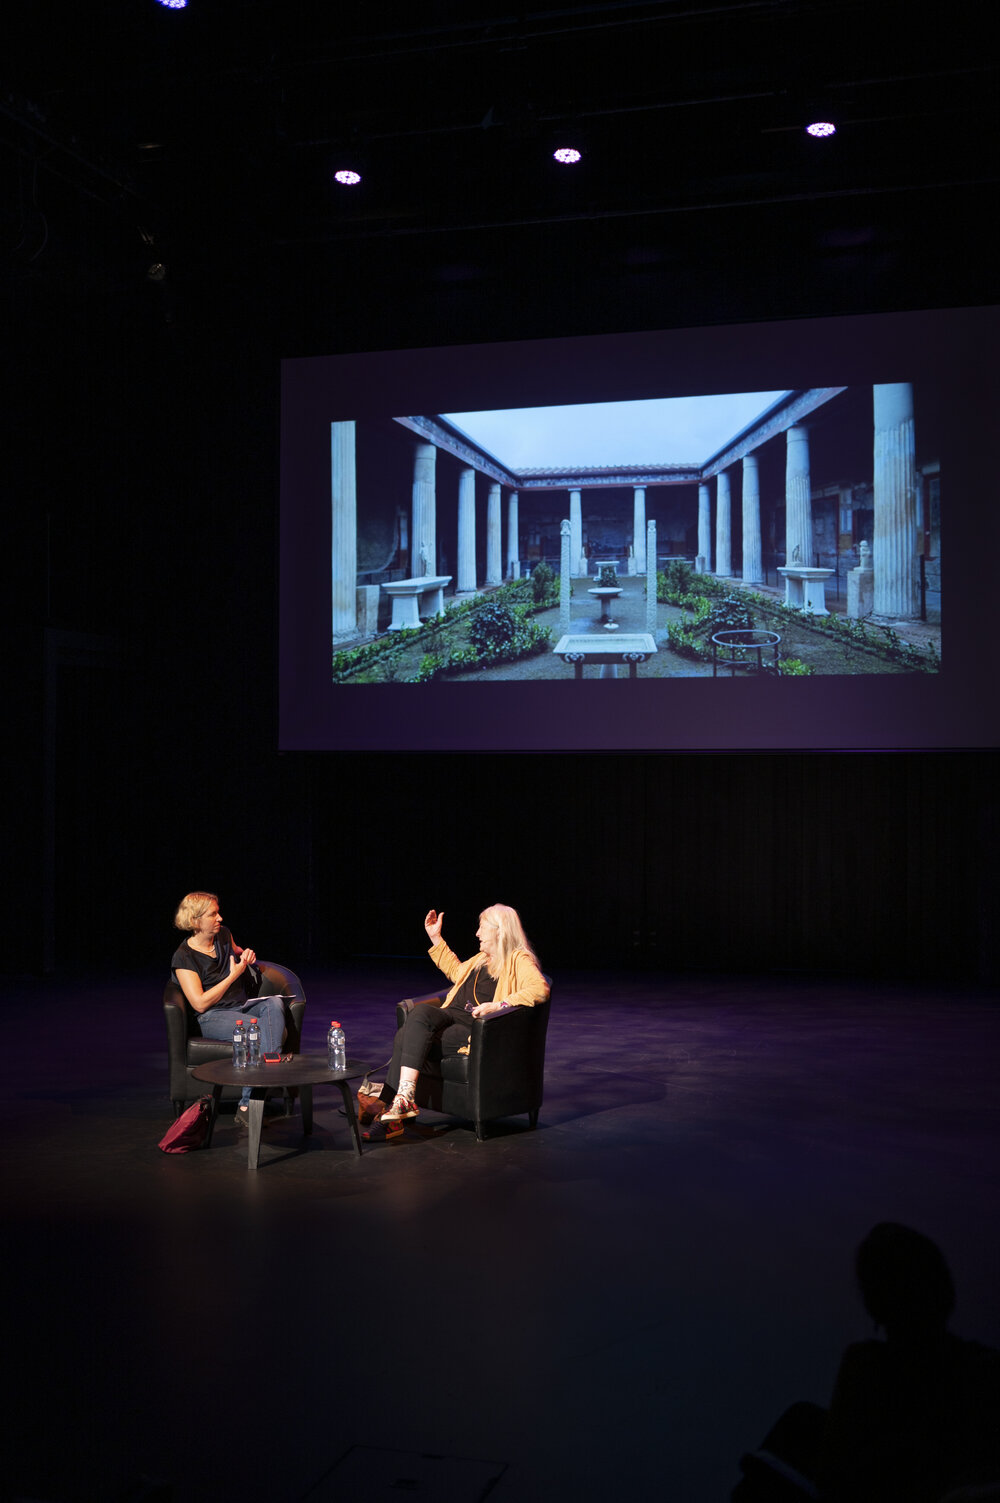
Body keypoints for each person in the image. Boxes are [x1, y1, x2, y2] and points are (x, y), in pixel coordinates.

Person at [371, 905, 549, 1127]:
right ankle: (401, 1101)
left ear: (499, 931)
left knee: (404, 1035)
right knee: (421, 1012)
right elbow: (456, 971)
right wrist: (436, 938)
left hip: (471, 1028)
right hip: (449, 1015)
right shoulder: (481, 959)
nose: (477, 933)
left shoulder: (518, 959)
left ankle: (391, 1102)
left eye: (482, 928)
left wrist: (499, 1005)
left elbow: (539, 988)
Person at [170, 891, 289, 1127]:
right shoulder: (184, 957)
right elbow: (200, 1003)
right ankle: (249, 1104)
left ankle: (259, 1086)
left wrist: (246, 954)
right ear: (196, 921)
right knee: (262, 1032)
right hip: (212, 1016)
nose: (220, 918)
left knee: (274, 1003)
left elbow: (238, 951)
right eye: (213, 914)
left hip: (241, 1007)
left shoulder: (223, 935)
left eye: (218, 912)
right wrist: (233, 976)